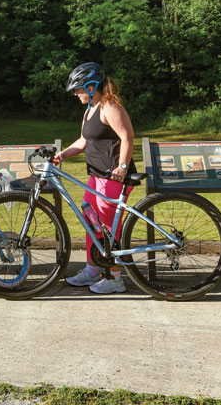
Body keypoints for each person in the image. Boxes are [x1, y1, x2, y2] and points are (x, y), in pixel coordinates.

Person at [52, 62, 137, 294]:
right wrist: (63, 155)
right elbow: (83, 141)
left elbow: (127, 136)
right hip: (95, 175)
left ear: (91, 87)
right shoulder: (90, 109)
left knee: (110, 227)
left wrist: (122, 166)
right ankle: (92, 269)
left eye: (79, 89)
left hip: (113, 176)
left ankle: (116, 277)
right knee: (92, 223)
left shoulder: (109, 105)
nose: (76, 94)